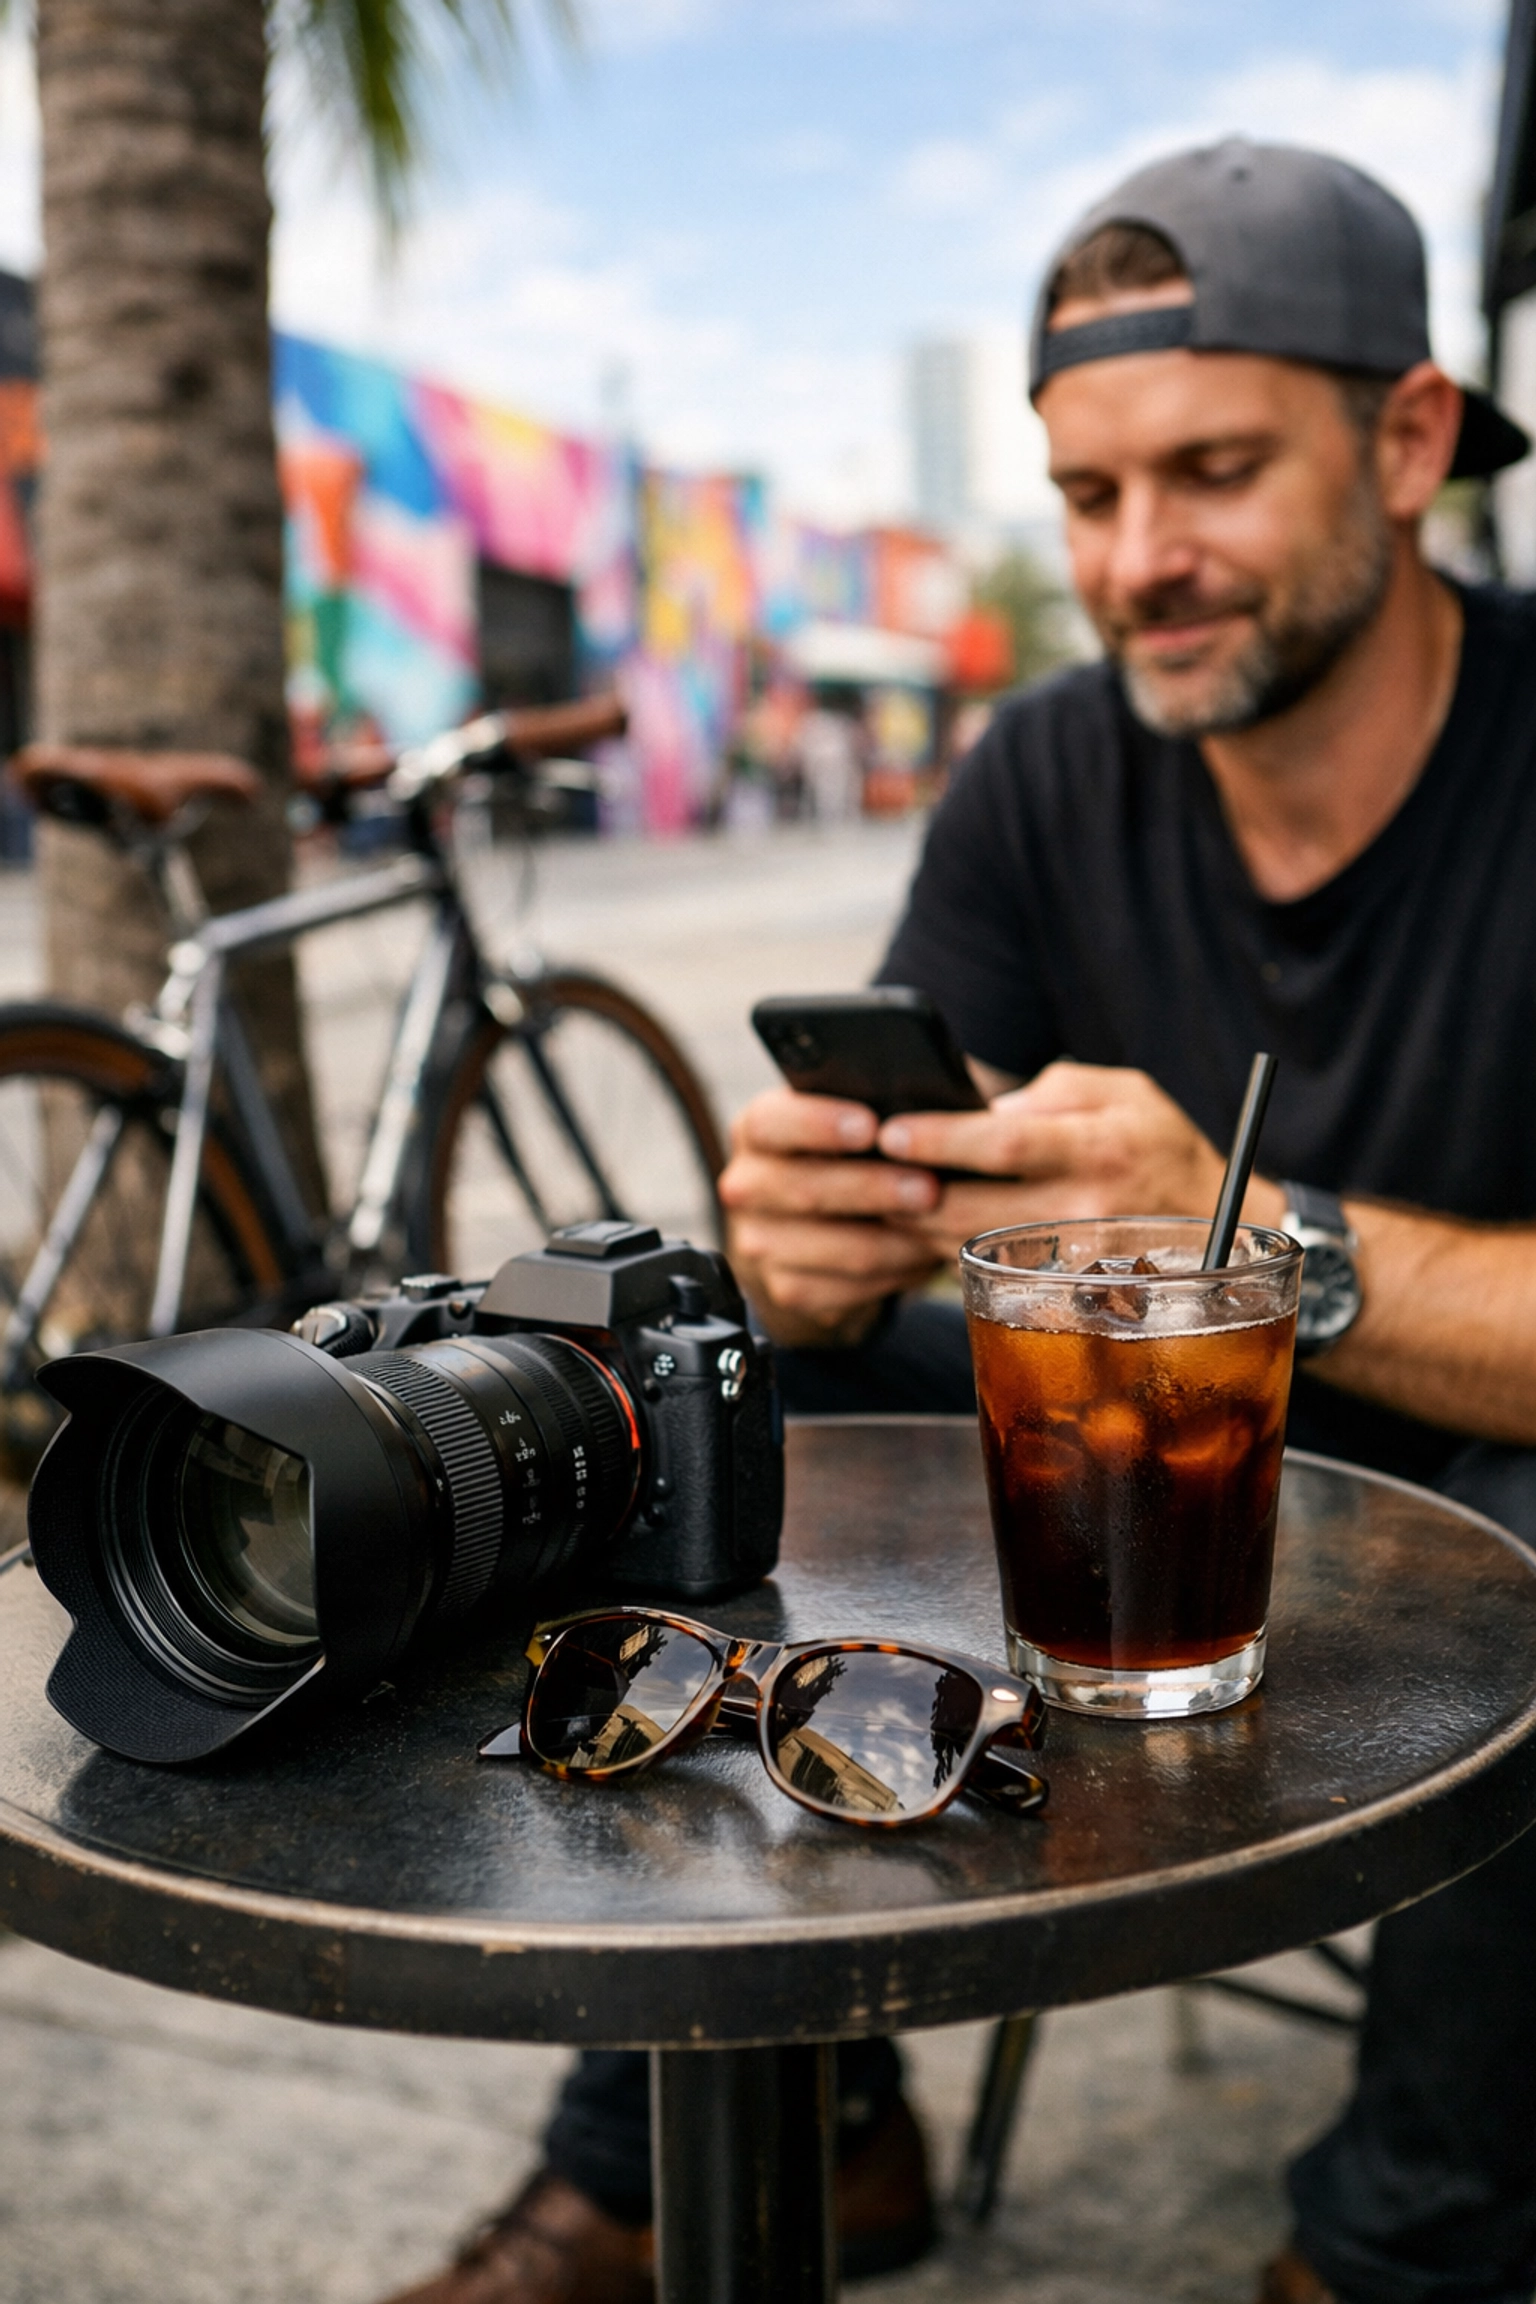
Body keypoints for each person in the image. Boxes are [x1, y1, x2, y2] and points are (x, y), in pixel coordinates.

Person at [380, 139, 1536, 2304]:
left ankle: (1405, 2258)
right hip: (1130, 1462)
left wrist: (1253, 1238)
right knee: (727, 1377)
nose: (1139, 561)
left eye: (1212, 474)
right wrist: (809, 1244)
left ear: (1406, 443)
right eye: (1089, 496)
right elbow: (890, 1189)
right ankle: (740, 2141)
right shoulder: (1044, 770)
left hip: (1481, 1459)